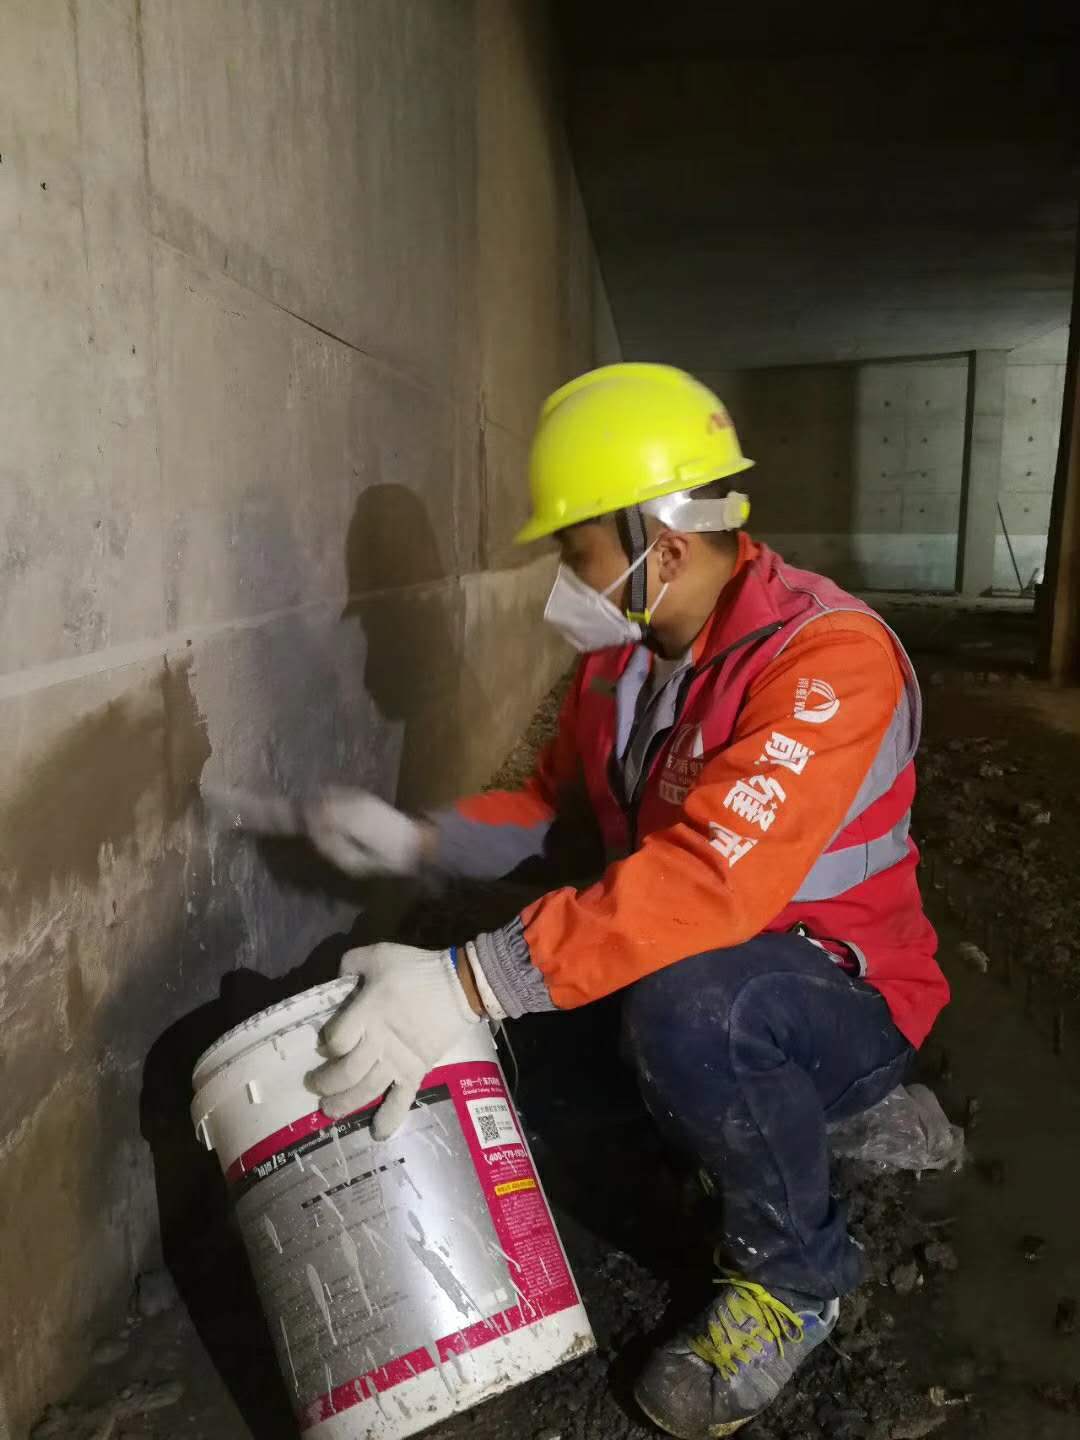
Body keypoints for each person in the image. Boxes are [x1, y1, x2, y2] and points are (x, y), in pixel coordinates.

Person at [236, 363, 947, 1438]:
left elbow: (710, 880)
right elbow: (558, 817)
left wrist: (469, 981)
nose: (563, 584)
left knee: (688, 1011)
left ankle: (797, 1278)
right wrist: (423, 840)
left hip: (837, 992)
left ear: (664, 545)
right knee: (524, 1065)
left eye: (576, 554)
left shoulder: (826, 662)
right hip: (687, 967)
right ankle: (734, 1120)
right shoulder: (625, 667)